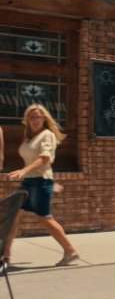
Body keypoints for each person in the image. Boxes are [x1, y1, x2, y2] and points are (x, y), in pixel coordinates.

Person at [3, 104, 79, 267]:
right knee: (13, 217)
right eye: (32, 117)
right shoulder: (29, 137)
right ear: (27, 120)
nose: (35, 120)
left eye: (38, 117)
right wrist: (23, 172)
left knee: (45, 219)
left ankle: (70, 250)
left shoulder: (47, 135)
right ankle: (5, 256)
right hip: (28, 182)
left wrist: (25, 170)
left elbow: (45, 158)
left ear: (44, 118)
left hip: (40, 181)